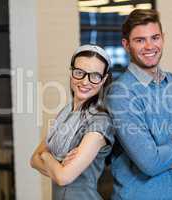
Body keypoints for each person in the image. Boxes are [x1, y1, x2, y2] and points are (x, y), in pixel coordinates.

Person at [106, 9, 172, 200]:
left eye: (155, 37)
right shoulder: (120, 93)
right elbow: (149, 163)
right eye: (140, 40)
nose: (149, 46)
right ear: (126, 45)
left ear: (163, 39)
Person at [30, 44, 114, 200]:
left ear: (103, 80)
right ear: (71, 73)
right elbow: (33, 159)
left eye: (95, 76)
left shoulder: (100, 122)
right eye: (79, 72)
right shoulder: (66, 112)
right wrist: (57, 164)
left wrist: (47, 156)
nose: (85, 81)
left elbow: (63, 178)